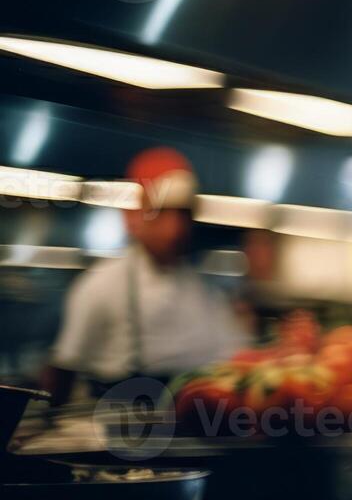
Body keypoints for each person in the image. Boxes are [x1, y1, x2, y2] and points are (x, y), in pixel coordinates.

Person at [43, 147, 245, 404]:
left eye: (183, 214)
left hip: (190, 427)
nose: (175, 228)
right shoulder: (101, 285)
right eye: (162, 212)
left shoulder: (204, 290)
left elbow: (234, 356)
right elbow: (63, 370)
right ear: (134, 216)